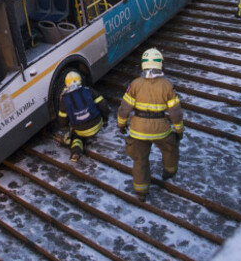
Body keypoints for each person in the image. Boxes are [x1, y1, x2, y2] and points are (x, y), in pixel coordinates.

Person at [117, 48, 184, 202]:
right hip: (161, 129)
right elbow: (176, 113)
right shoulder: (167, 86)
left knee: (140, 160)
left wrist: (121, 125)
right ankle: (169, 172)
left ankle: (141, 192)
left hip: (138, 130)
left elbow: (123, 109)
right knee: (170, 148)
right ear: (160, 64)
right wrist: (179, 131)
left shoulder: (135, 84)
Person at [58, 71, 110, 162]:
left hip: (80, 130)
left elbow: (62, 119)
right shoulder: (88, 90)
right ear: (80, 81)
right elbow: (103, 104)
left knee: (75, 137)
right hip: (97, 124)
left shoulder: (64, 99)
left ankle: (76, 152)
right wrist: (105, 118)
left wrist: (65, 129)